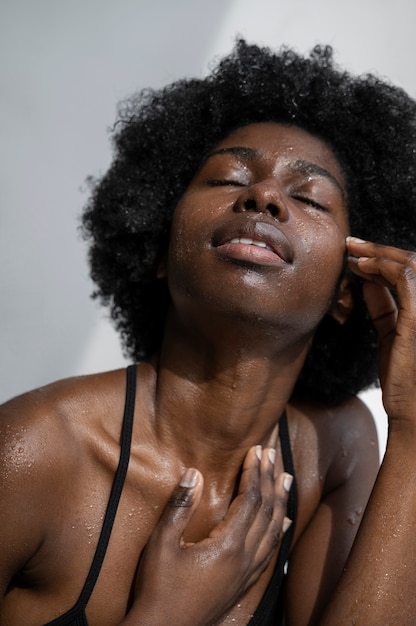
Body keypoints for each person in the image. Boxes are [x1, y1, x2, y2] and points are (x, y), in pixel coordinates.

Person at [1, 39, 416, 626]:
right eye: (228, 178)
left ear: (347, 293)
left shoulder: (336, 449)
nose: (264, 196)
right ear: (159, 247)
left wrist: (415, 427)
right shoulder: (30, 452)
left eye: (309, 198)